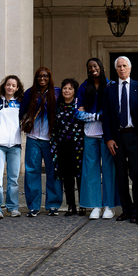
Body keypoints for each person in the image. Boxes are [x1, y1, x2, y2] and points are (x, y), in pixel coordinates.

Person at [104, 56, 138, 222]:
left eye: (124, 66)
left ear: (129, 68)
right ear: (116, 69)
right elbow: (107, 117)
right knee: (121, 175)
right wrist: (108, 138)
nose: (122, 69)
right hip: (117, 137)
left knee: (137, 174)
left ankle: (137, 209)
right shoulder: (109, 90)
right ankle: (126, 209)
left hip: (135, 136)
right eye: (119, 66)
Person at [76, 58, 117, 220]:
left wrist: (89, 114)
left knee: (109, 169)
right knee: (90, 170)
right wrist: (97, 115)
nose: (93, 69)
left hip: (107, 135)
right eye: (90, 67)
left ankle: (109, 205)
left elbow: (114, 110)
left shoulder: (111, 85)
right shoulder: (84, 87)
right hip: (90, 134)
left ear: (100, 67)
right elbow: (78, 113)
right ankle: (95, 205)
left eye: (95, 66)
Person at [20, 67, 62, 217]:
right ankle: (33, 206)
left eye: (45, 76)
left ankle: (53, 205)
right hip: (33, 138)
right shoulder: (30, 93)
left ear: (49, 77)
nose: (42, 79)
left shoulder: (56, 93)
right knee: (32, 171)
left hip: (51, 139)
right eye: (39, 76)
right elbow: (21, 111)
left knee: (53, 172)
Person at [0, 75, 24, 219]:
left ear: (17, 88)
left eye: (13, 85)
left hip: (15, 145)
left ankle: (13, 207)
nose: (10, 87)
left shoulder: (21, 103)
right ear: (4, 86)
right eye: (8, 84)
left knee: (13, 178)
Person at [53, 78, 84, 216]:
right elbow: (54, 127)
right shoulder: (58, 107)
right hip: (62, 145)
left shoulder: (79, 107)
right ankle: (71, 205)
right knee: (67, 177)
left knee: (80, 176)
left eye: (70, 89)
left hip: (78, 145)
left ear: (74, 91)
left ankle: (83, 204)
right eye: (65, 88)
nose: (67, 91)